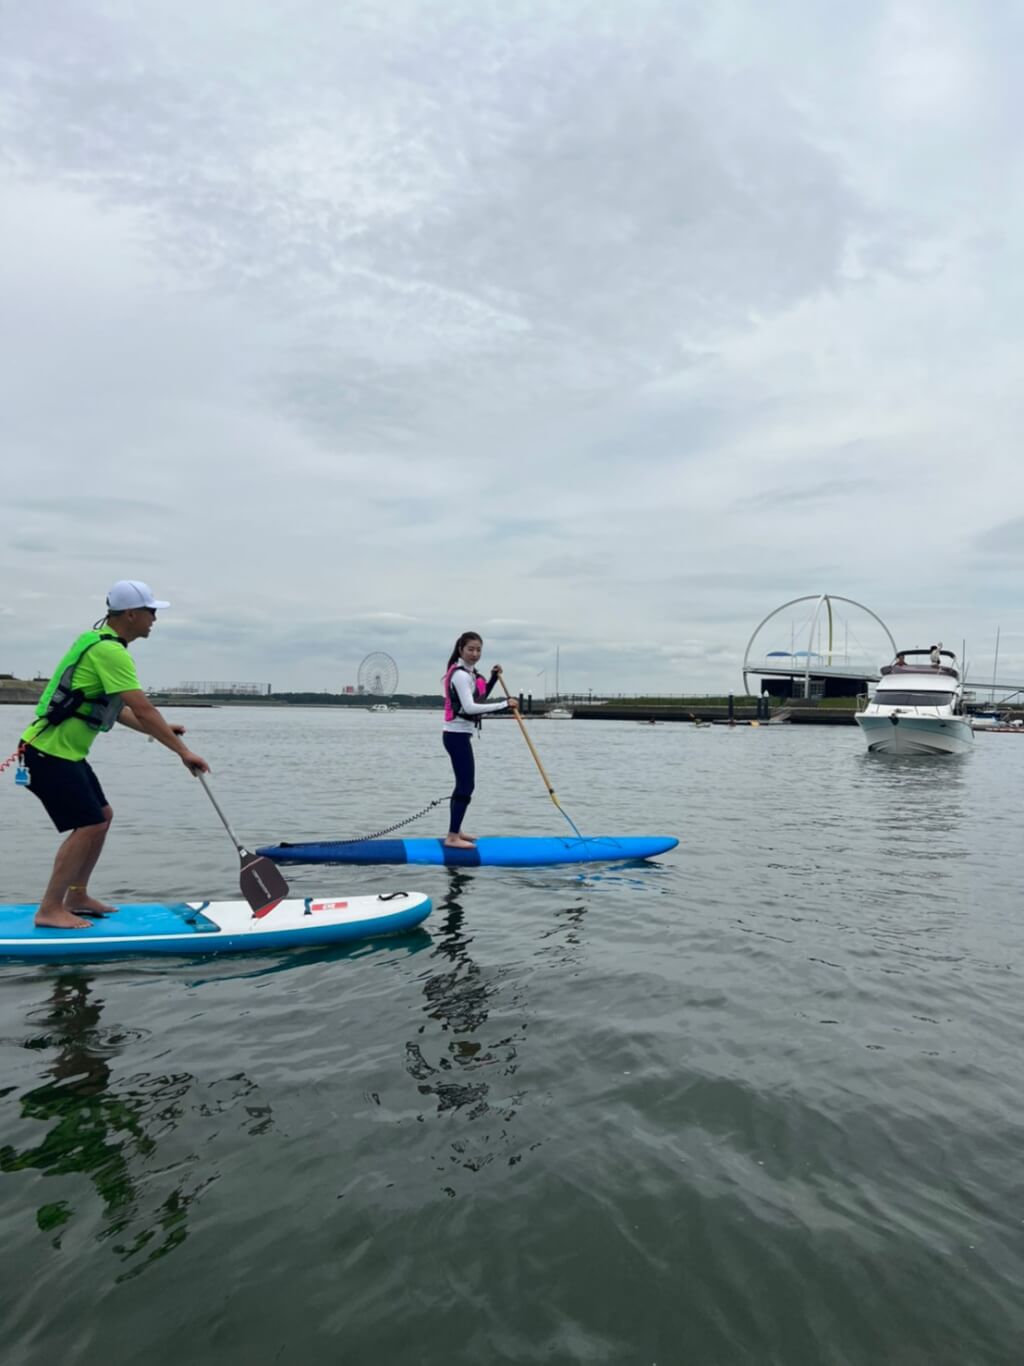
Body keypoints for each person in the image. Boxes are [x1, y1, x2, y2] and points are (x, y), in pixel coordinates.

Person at [19, 580, 209, 930]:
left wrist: (165, 732)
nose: (155, 619)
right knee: (88, 824)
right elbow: (144, 708)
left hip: (62, 753)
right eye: (151, 612)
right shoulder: (111, 652)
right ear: (132, 614)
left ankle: (77, 896)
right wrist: (183, 752)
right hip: (47, 753)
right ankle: (49, 909)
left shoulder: (98, 643)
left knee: (101, 816)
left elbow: (118, 711)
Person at [441, 631, 518, 849]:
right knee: (466, 785)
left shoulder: (471, 674)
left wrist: (493, 678)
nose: (475, 654)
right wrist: (505, 704)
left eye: (478, 650)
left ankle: (456, 830)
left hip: (461, 736)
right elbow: (470, 707)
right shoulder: (460, 675)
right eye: (470, 649)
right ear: (460, 650)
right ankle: (452, 837)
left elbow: (479, 698)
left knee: (463, 784)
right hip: (455, 736)